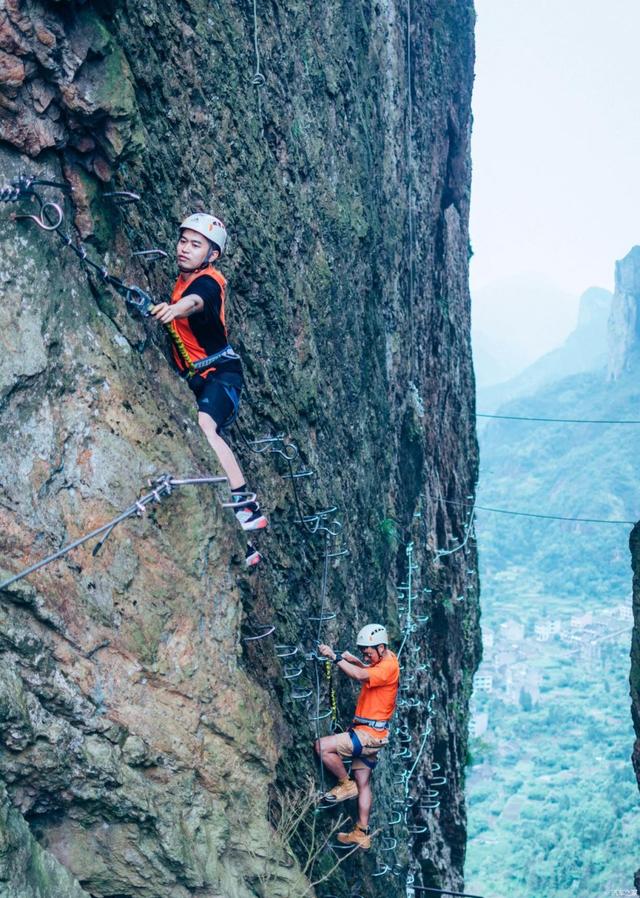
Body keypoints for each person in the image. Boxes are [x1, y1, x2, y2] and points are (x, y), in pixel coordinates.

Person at [151, 214, 266, 562]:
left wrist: (174, 310)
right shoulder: (180, 281)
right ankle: (240, 544)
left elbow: (197, 302)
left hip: (222, 376)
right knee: (199, 451)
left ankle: (246, 506)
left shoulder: (210, 281)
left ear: (212, 254)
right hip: (197, 379)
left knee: (205, 426)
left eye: (195, 244)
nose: (185, 249)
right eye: (183, 241)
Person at [316, 623, 400, 850]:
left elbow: (361, 676)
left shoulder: (388, 666)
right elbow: (368, 671)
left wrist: (335, 658)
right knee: (364, 783)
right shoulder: (385, 660)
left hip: (367, 736)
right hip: (375, 735)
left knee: (322, 747)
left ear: (381, 647)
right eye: (364, 653)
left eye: (369, 652)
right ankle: (361, 832)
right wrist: (357, 661)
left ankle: (345, 784)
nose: (367, 655)